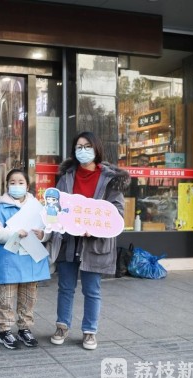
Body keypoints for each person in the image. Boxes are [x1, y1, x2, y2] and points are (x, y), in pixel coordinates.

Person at [49, 131, 129, 350]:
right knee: (65, 287)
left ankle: (89, 331)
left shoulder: (110, 179)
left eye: (87, 146)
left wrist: (94, 229)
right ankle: (62, 326)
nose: (82, 151)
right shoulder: (66, 177)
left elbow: (117, 212)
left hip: (95, 244)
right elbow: (57, 206)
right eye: (79, 147)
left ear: (96, 149)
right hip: (68, 241)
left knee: (92, 290)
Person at [0, 169, 51, 349]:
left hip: (31, 259)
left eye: (21, 182)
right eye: (12, 183)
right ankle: (4, 330)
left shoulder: (38, 208)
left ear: (27, 186)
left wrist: (43, 235)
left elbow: (48, 229)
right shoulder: (0, 209)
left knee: (29, 297)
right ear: (7, 186)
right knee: (6, 297)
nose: (17, 186)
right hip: (10, 259)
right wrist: (13, 233)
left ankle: (24, 328)